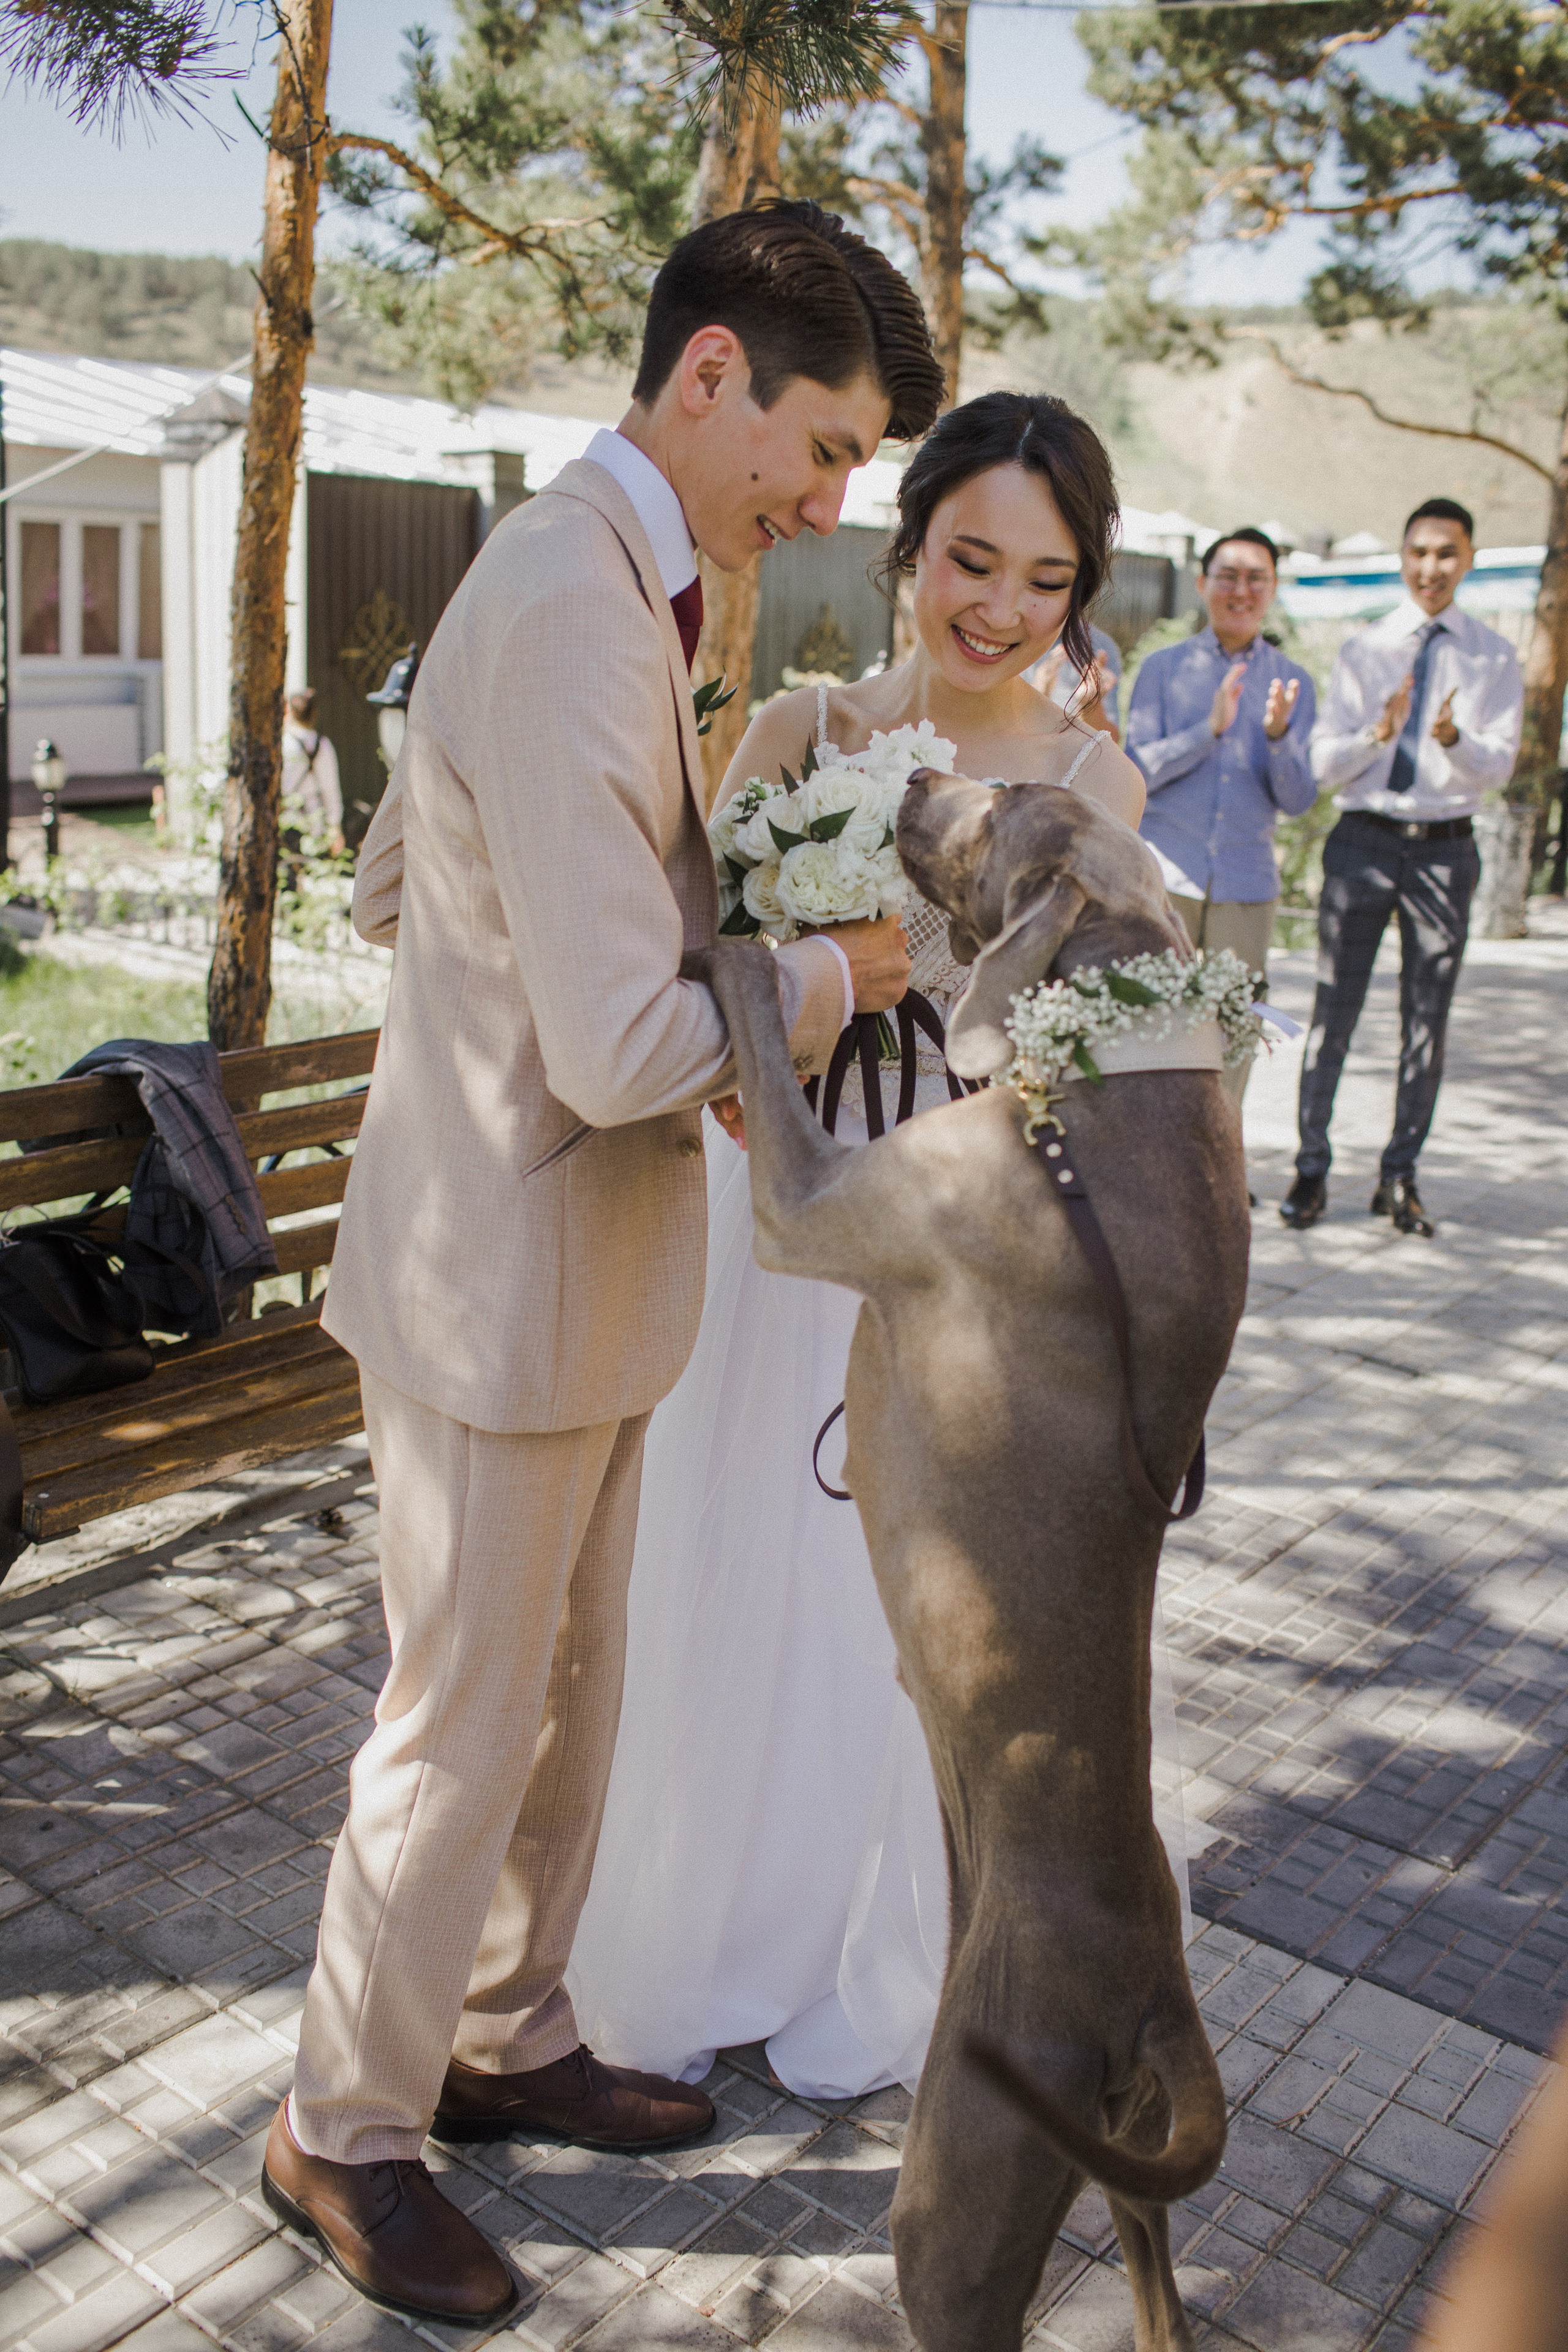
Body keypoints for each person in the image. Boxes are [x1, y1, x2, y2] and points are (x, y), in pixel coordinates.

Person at [263, 201, 944, 2330]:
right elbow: (626, 1046)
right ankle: (339, 2129)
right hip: (500, 1292)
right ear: (712, 373)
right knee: (458, 1730)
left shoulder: (605, 579)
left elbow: (395, 873)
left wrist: (598, 928)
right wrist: (827, 971)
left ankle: (501, 2028)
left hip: (569, 1260)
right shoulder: (576, 596)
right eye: (820, 449)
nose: (824, 504)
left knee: (568, 1699)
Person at [567, 390, 1196, 2105]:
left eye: (1046, 582)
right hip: (776, 1225)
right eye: (970, 560)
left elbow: (1111, 1059)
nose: (999, 608)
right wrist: (746, 1059)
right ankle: (706, 1928)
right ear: (908, 546)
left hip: (958, 1250)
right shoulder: (798, 729)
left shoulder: (1094, 783)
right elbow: (695, 970)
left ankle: (875, 1940)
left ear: (1082, 596)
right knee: (731, 1573)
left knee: (901, 1611)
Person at [1281, 498, 1523, 1237]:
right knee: (1333, 1011)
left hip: (1445, 848)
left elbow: (1499, 766)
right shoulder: (1365, 648)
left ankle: (1399, 1175)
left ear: (1468, 559)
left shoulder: (1492, 656)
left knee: (1426, 1021)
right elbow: (1323, 764)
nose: (1430, 568)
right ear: (1401, 557)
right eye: (1419, 552)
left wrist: (1451, 738)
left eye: (1446, 554)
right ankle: (1311, 1168)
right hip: (1364, 839)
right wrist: (1376, 734)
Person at [1126, 528, 1317, 1117]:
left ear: (1273, 589)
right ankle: (1149, 1154)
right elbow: (1135, 772)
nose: (1242, 590)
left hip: (1246, 886)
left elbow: (1299, 799)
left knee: (1234, 1034)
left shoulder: (1293, 682)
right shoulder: (1162, 670)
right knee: (1152, 1029)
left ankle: (1217, 1153)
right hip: (1167, 881)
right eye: (1228, 576)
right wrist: (1206, 731)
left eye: (1256, 579)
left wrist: (1278, 737)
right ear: (1203, 584)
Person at [1027, 621, 1123, 739]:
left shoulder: (1100, 645)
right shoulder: (1014, 639)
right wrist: (1038, 694)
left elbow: (1112, 740)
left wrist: (1090, 705)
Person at [281, 690, 344, 855]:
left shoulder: (283, 743)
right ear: (314, 714)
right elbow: (330, 788)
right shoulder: (322, 745)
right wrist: (335, 826)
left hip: (285, 819)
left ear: (289, 711)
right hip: (313, 821)